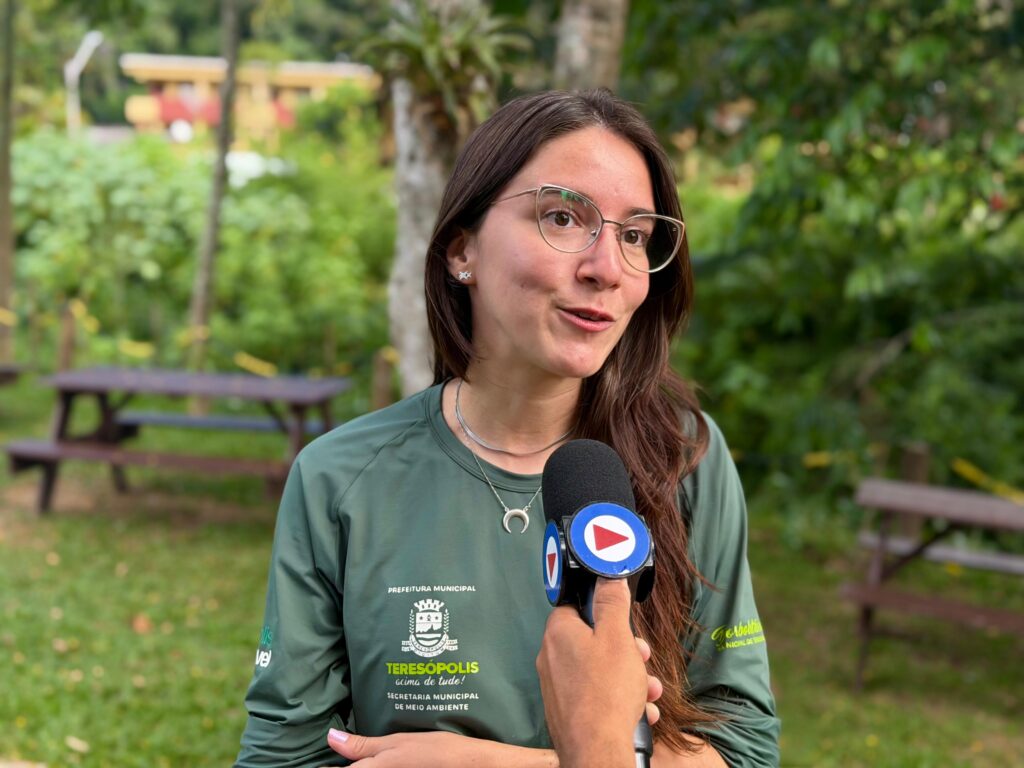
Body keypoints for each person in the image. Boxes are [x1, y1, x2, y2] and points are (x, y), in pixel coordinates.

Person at [234, 89, 780, 768]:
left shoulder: (685, 457)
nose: (607, 269)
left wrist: (484, 763)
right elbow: (282, 757)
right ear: (461, 250)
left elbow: (743, 748)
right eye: (562, 217)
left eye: (634, 236)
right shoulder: (339, 479)